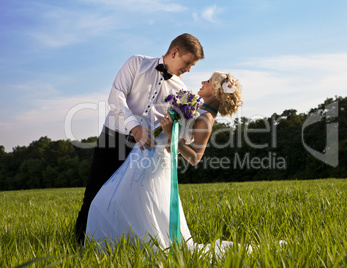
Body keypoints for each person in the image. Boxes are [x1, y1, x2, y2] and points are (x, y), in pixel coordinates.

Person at [85, 71, 243, 253]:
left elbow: (194, 158)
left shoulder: (206, 119)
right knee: (119, 203)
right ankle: (125, 246)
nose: (202, 82)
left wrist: (171, 136)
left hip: (155, 163)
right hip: (146, 153)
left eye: (207, 81)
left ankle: (138, 248)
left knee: (128, 204)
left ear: (215, 91)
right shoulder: (197, 107)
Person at [75, 33, 204, 245]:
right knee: (94, 193)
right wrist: (134, 127)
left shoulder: (182, 92)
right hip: (113, 138)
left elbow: (176, 129)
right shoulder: (137, 62)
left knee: (132, 201)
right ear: (174, 52)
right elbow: (115, 96)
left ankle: (118, 244)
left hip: (144, 149)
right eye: (187, 63)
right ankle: (80, 245)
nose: (189, 69)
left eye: (192, 66)